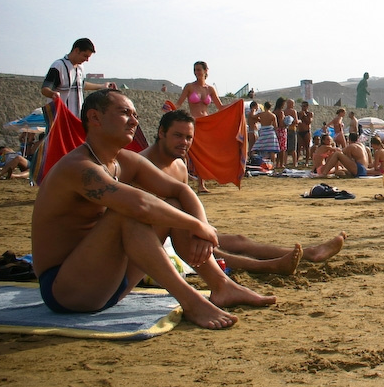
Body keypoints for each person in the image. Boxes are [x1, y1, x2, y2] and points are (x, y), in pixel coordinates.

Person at [30, 90, 275, 329]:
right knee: (126, 214)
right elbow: (140, 205)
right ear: (94, 117)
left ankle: (221, 285)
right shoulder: (78, 166)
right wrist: (197, 226)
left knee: (173, 206)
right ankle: (191, 301)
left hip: (110, 283)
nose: (134, 121)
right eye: (125, 113)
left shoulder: (122, 161)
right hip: (67, 291)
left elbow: (182, 191)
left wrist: (201, 226)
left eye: (135, 115)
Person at [141, 109, 346, 274]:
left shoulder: (179, 165)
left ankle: (310, 253)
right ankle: (268, 266)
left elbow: (187, 207)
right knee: (210, 247)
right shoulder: (140, 165)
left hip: (179, 231)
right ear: (161, 133)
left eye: (188, 137)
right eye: (178, 136)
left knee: (238, 240)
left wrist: (200, 230)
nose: (184, 143)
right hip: (148, 243)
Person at [175, 61, 228, 193]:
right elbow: (178, 104)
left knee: (203, 154)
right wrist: (169, 108)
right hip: (193, 122)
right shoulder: (189, 87)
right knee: (188, 152)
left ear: (205, 71)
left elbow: (220, 107)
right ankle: (184, 180)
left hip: (206, 123)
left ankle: (201, 184)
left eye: (199, 69)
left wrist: (236, 104)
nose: (196, 72)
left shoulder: (210, 89)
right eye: (195, 70)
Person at [41, 38, 117, 117]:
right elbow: (45, 89)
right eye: (85, 56)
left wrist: (102, 86)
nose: (87, 60)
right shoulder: (58, 66)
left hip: (77, 117)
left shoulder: (80, 67)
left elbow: (81, 84)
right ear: (76, 50)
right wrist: (52, 94)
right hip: (61, 117)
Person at [296, 101, 314, 165]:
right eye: (302, 106)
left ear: (307, 107)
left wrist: (304, 115)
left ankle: (306, 162)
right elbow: (297, 121)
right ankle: (296, 161)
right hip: (300, 131)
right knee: (298, 147)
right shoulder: (299, 113)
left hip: (306, 131)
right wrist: (300, 116)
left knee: (307, 147)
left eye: (304, 106)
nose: (302, 108)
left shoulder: (310, 113)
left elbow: (308, 122)